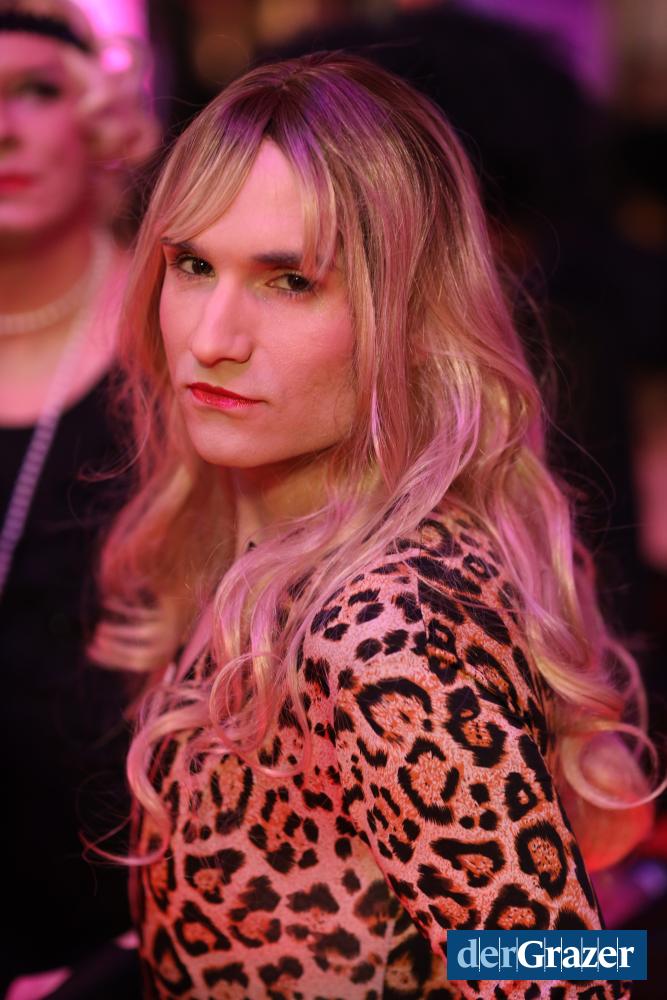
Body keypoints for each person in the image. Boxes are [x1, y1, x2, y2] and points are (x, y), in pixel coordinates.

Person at [91, 53, 659, 999]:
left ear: (407, 316)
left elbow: (567, 970)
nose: (212, 338)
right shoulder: (288, 541)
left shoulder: (380, 628)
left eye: (289, 281)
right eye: (192, 265)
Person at [0, 1, 157, 996]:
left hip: (135, 919)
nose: (1, 131)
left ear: (100, 119)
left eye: (36, 92)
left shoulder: (184, 334)